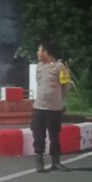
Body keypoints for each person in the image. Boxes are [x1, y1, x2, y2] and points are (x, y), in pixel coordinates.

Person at [32, 40, 71, 173]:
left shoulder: (60, 67)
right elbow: (39, 82)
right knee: (38, 135)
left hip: (54, 108)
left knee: (54, 136)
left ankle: (56, 162)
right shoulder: (39, 66)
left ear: (46, 52)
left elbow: (66, 86)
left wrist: (57, 98)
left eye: (39, 50)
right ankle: (39, 162)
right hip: (39, 107)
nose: (37, 53)